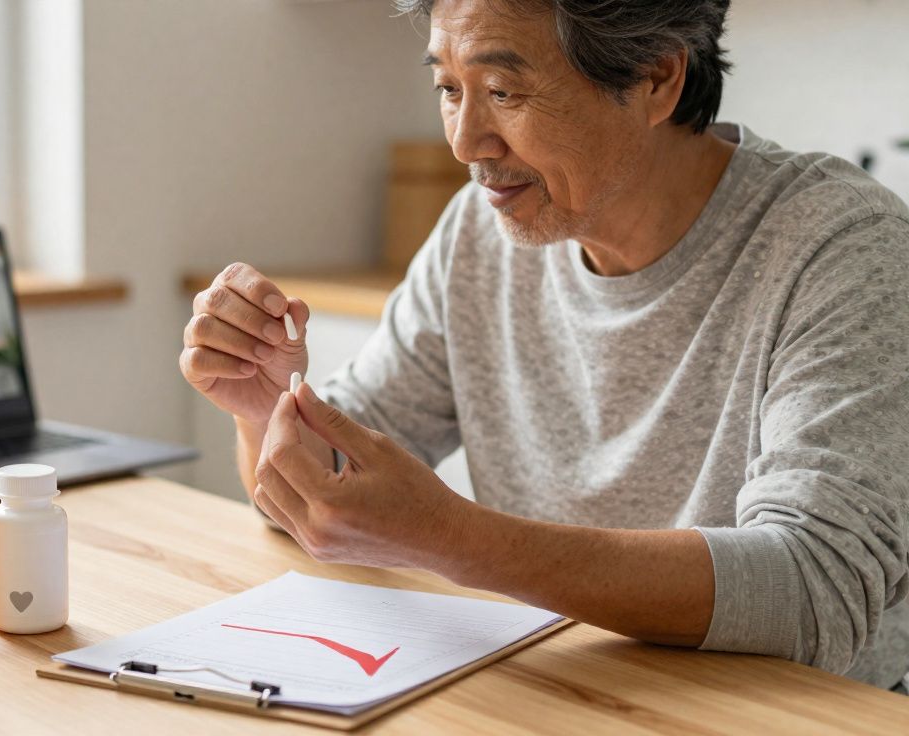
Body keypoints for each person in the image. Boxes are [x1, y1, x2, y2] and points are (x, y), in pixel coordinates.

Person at [180, 0, 909, 692]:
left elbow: (814, 586)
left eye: (503, 91)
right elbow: (332, 495)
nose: (465, 142)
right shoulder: (480, 234)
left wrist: (453, 538)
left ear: (657, 75)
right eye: (447, 87)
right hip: (564, 697)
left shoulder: (841, 248)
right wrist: (269, 408)